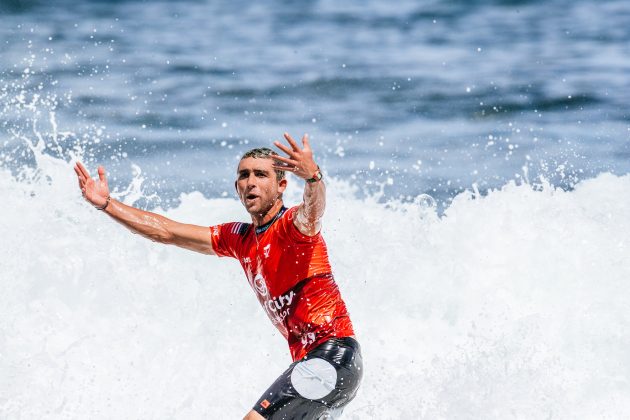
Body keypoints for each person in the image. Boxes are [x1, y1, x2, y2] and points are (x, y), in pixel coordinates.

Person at [73, 133, 363, 420]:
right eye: (243, 175)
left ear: (281, 185)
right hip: (315, 366)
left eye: (261, 174)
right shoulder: (239, 238)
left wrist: (313, 177)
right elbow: (167, 232)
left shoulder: (293, 228)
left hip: (333, 357)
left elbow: (314, 210)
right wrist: (107, 204)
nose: (250, 182)